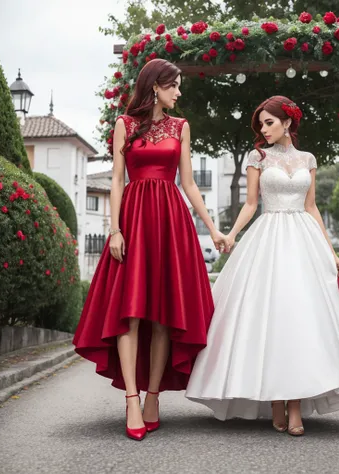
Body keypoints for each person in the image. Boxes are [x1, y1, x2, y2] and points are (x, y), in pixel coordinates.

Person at [186, 96, 339, 436]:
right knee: (268, 319)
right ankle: (274, 402)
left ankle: (294, 405)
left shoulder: (308, 159)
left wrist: (331, 252)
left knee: (299, 320)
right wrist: (231, 235)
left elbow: (311, 207)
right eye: (261, 124)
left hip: (303, 240)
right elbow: (251, 203)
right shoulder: (257, 157)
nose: (263, 129)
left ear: (287, 122)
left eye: (269, 122)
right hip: (267, 237)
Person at [73, 59, 226, 441]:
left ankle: (153, 396)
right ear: (154, 86)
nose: (178, 93)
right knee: (131, 311)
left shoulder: (181, 127)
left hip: (170, 221)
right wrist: (115, 230)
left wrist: (213, 228)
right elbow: (116, 182)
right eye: (173, 86)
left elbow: (189, 184)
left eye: (179, 87)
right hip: (134, 220)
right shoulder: (125, 124)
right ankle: (130, 398)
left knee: (162, 314)